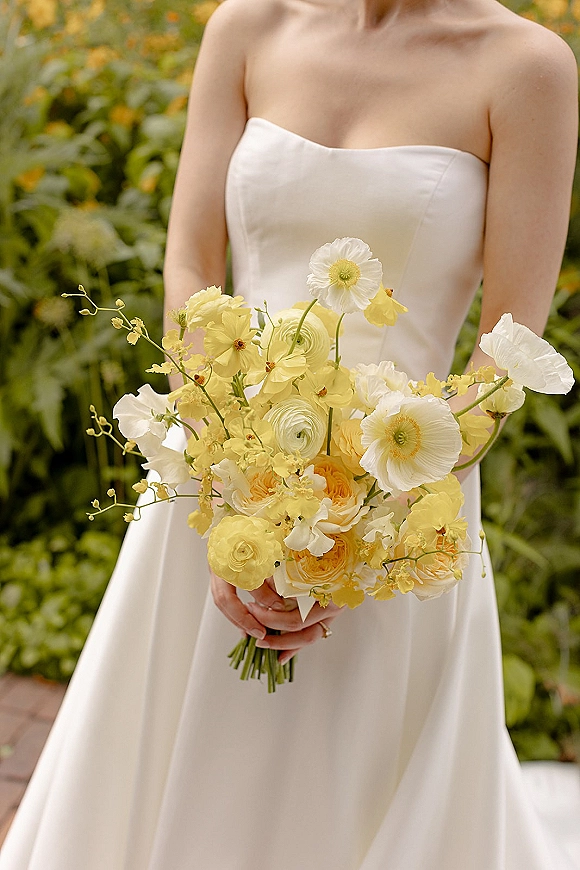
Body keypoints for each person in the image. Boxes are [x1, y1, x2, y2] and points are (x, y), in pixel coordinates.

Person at [1, 0, 578, 867]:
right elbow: (191, 263)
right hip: (213, 486)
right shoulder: (245, 27)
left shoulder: (525, 67)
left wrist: (349, 535)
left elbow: (508, 353)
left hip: (397, 511)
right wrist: (236, 486)